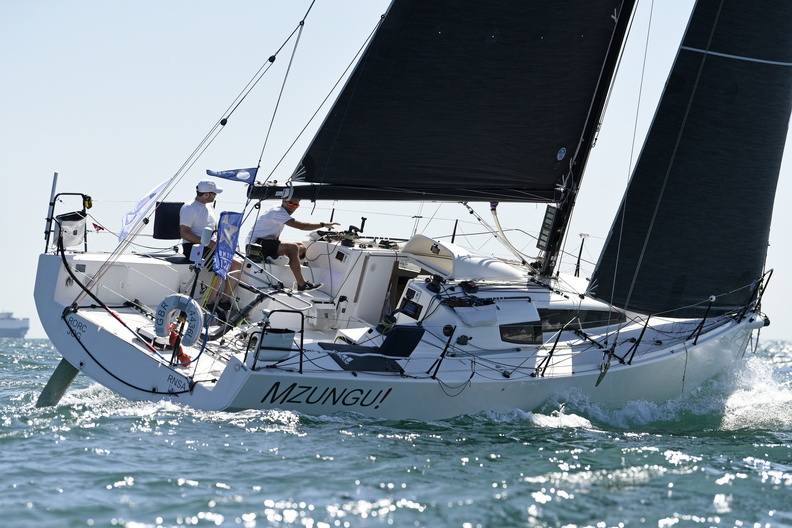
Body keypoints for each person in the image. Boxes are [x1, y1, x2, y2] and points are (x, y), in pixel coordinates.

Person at [247, 198, 339, 291]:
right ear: (283, 201)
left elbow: (276, 236)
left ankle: (276, 257)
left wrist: (281, 247)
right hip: (256, 245)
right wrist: (323, 224)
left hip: (265, 243)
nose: (292, 208)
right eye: (290, 204)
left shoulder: (281, 211)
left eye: (296, 205)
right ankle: (302, 284)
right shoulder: (277, 211)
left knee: (301, 247)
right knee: (293, 247)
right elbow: (301, 226)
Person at [180, 180, 241, 314]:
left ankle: (224, 302)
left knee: (237, 265)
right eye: (214, 193)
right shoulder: (189, 207)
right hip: (194, 246)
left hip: (211, 246)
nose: (216, 196)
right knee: (221, 264)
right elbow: (184, 232)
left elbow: (213, 230)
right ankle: (210, 302)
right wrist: (206, 242)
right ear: (206, 195)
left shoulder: (209, 207)